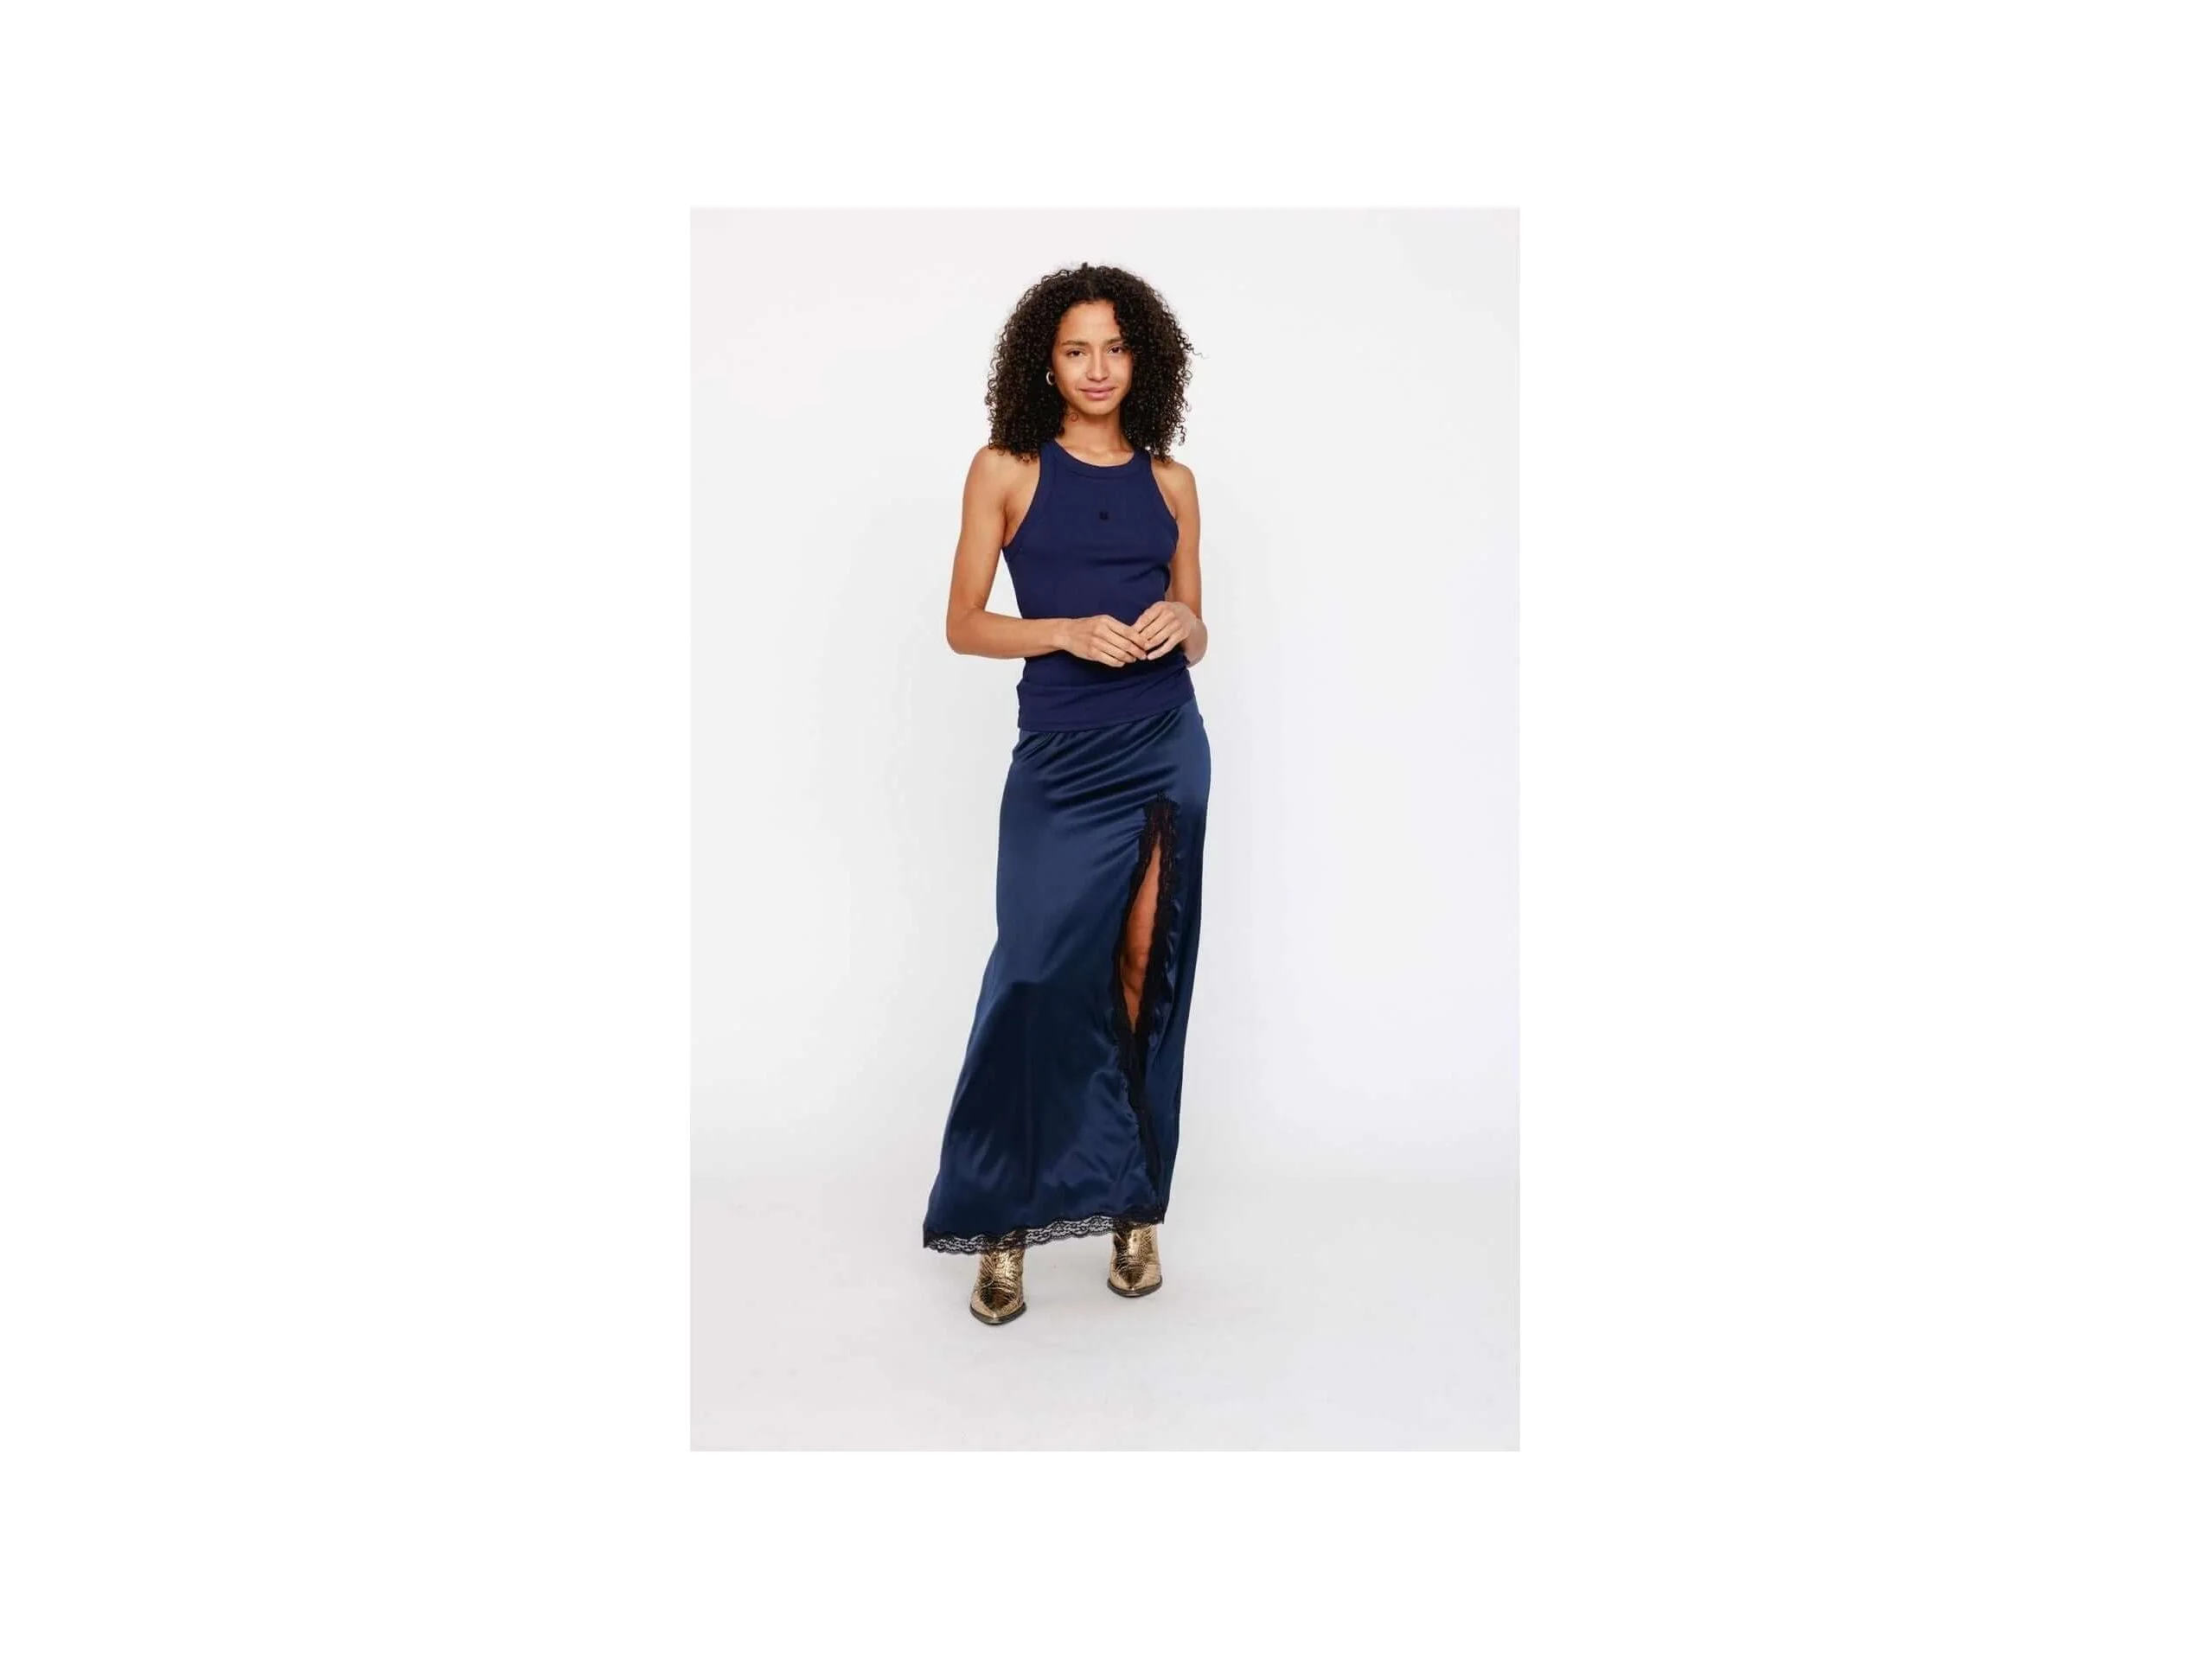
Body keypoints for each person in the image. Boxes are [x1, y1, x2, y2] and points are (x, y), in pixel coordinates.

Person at [922, 262, 1213, 1325]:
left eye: (1115, 347)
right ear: (1044, 361)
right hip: (1058, 754)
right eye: (1076, 349)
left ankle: (1132, 1205)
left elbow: (1196, 624)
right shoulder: (1004, 467)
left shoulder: (1171, 481)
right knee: (1036, 976)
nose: (1097, 368)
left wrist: (1184, 623)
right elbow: (962, 622)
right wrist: (1065, 632)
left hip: (1164, 743)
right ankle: (1000, 1220)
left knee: (1143, 970)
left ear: (1143, 359)